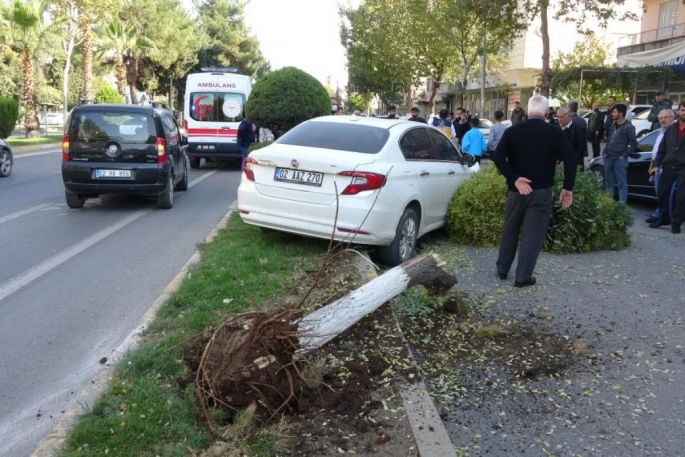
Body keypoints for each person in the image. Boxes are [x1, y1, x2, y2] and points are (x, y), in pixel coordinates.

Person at [492, 95, 576, 288]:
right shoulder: (555, 133)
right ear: (547, 113)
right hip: (541, 191)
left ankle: (502, 269)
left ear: (527, 112)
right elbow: (571, 159)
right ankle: (522, 277)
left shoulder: (513, 131)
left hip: (515, 191)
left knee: (510, 228)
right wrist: (567, 188)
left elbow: (497, 157)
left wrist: (514, 178)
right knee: (533, 235)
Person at [649, 101, 685, 234]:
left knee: (681, 198)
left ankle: (676, 223)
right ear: (678, 112)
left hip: (683, 168)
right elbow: (661, 149)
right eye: (682, 110)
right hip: (668, 166)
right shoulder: (670, 129)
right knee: (662, 193)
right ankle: (663, 218)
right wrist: (656, 165)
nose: (684, 113)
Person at [645, 109, 676, 224]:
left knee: (666, 194)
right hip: (657, 165)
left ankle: (664, 217)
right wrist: (653, 165)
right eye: (661, 118)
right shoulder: (661, 131)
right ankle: (658, 214)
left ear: (672, 118)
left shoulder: (675, 132)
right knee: (660, 193)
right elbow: (657, 150)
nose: (663, 120)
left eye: (666, 117)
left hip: (669, 167)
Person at [603, 104, 637, 204]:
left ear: (621, 114)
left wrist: (624, 156)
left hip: (619, 159)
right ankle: (608, 204)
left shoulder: (629, 127)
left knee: (622, 183)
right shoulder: (613, 125)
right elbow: (609, 140)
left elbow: (634, 144)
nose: (612, 114)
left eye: (614, 112)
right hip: (608, 158)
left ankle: (622, 207)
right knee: (609, 182)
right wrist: (604, 151)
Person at [567, 101, 589, 170]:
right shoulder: (582, 120)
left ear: (569, 109)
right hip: (581, 151)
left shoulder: (570, 120)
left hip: (572, 151)